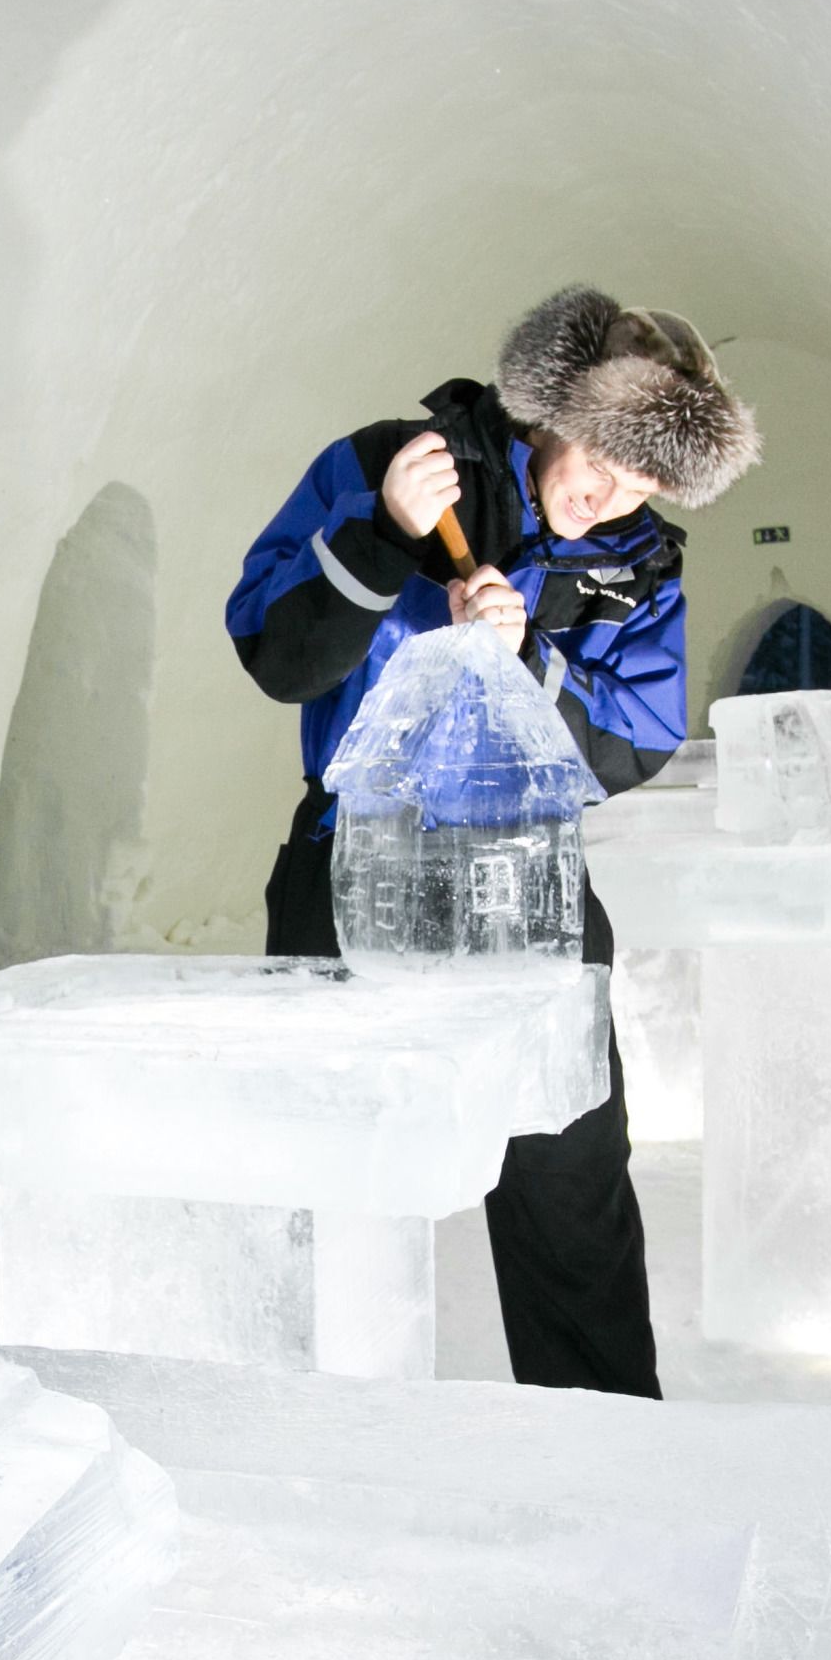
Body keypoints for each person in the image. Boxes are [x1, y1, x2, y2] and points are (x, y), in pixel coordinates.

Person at [223, 287, 757, 1396]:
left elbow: (634, 745)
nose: (611, 497)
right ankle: (305, 1452)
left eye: (647, 481)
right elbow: (277, 657)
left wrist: (528, 665)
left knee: (573, 1192)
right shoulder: (393, 463)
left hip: (530, 886)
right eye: (602, 459)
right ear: (552, 412)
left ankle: (605, 1456)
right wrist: (382, 535)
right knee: (326, 1184)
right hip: (352, 867)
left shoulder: (641, 564)